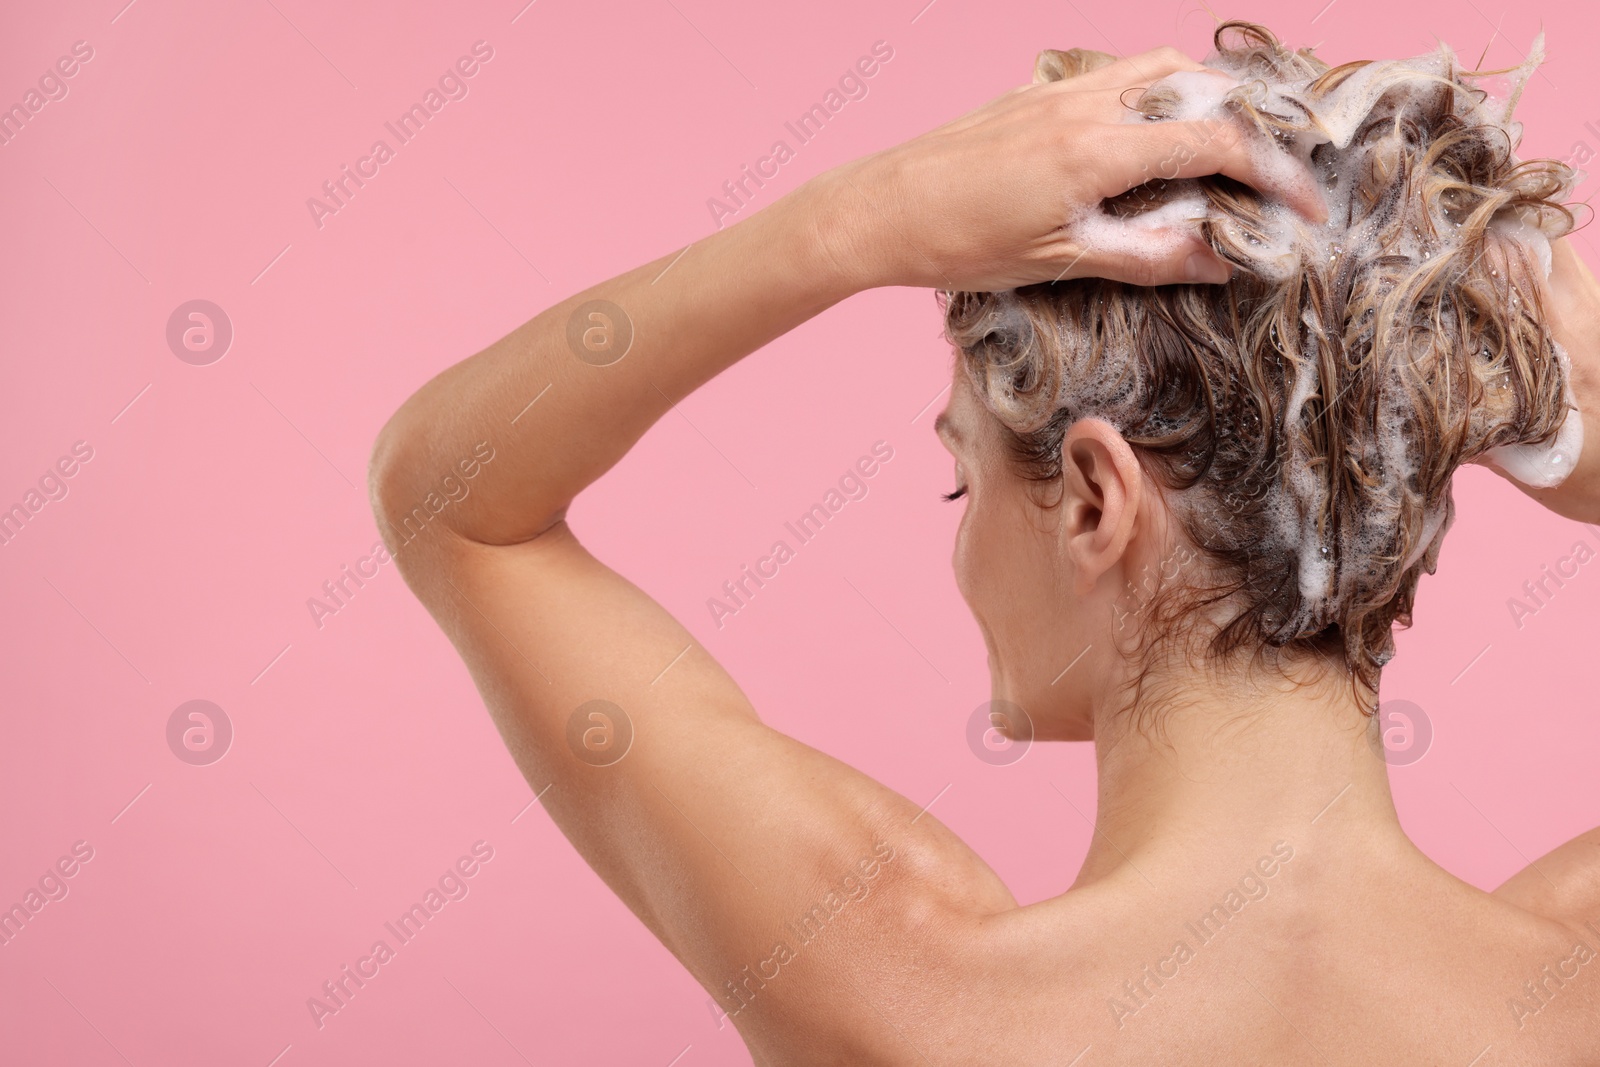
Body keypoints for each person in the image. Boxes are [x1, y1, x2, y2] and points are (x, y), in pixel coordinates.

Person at [368, 21, 1600, 1063]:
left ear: (1090, 498)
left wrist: (855, 222)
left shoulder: (901, 982)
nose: (959, 556)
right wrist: (1553, 417)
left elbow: (455, 503)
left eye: (961, 481)